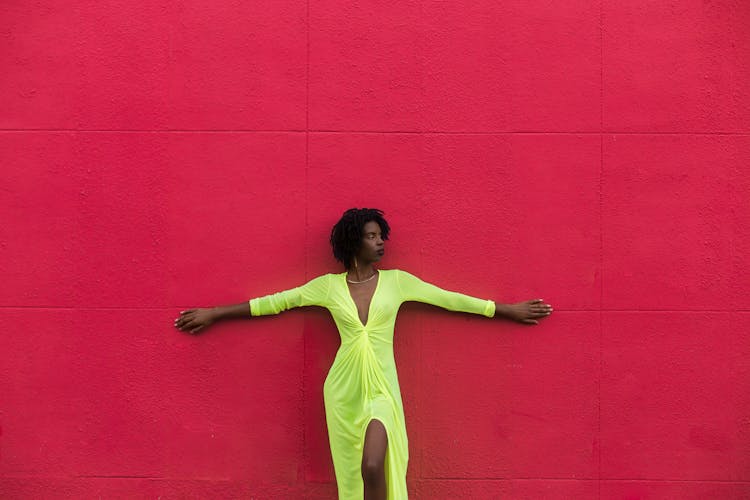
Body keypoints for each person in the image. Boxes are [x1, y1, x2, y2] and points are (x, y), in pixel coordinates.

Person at [173, 207, 553, 500]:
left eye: (380, 235)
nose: (380, 242)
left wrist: (505, 309)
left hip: (381, 388)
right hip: (343, 387)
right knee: (355, 470)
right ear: (354, 242)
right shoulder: (327, 287)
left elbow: (450, 299)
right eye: (371, 236)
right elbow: (277, 302)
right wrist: (215, 313)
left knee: (375, 464)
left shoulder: (398, 282)